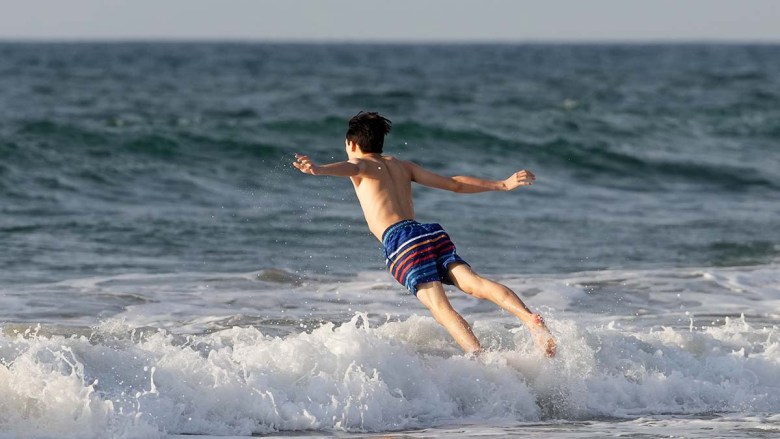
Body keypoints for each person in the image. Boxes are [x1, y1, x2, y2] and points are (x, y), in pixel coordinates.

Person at [293, 111, 556, 357]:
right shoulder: (402, 166)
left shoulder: (360, 164)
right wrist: (502, 184)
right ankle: (530, 320)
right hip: (426, 232)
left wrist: (319, 169)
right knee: (474, 283)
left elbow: (349, 168)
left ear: (351, 143)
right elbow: (454, 184)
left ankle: (482, 360)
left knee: (441, 309)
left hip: (401, 240)